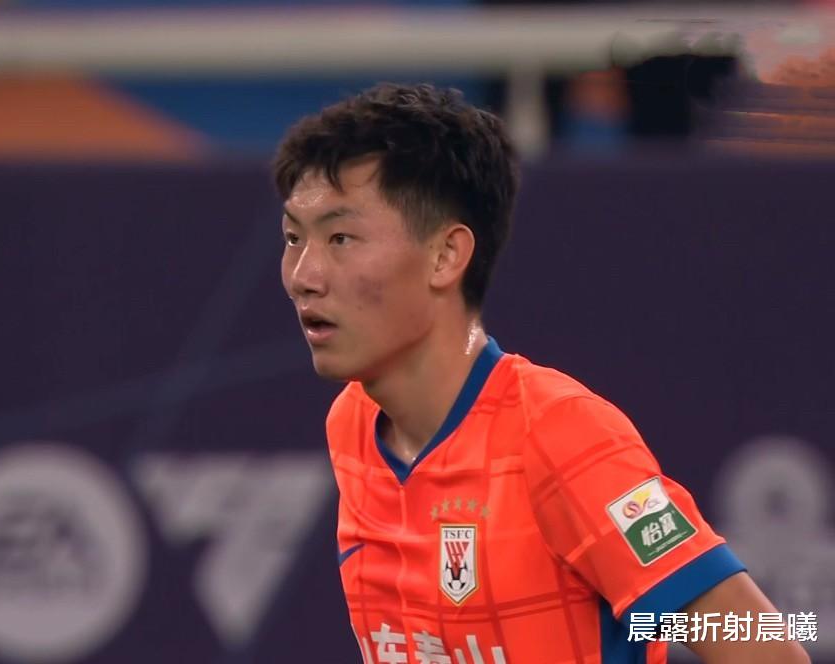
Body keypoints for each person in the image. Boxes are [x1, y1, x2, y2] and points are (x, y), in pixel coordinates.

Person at [274, 83, 809, 664]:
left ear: (446, 256)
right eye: (294, 238)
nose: (303, 276)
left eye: (341, 238)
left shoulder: (558, 435)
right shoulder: (353, 424)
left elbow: (763, 649)